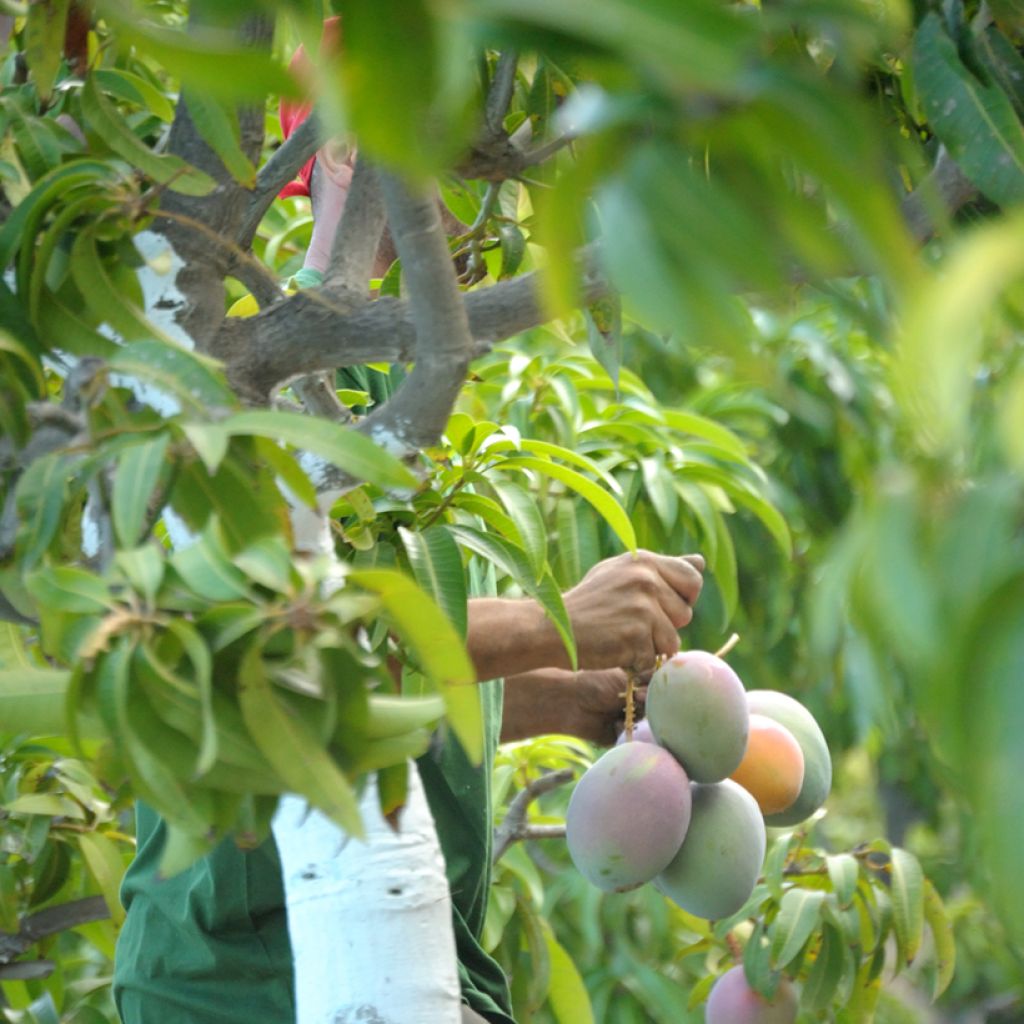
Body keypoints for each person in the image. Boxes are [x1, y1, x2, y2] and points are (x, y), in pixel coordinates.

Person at [112, 37, 707, 1023]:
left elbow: (382, 689)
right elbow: (277, 638)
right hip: (243, 983)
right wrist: (554, 618)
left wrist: (563, 698)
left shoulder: (391, 385)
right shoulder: (215, 362)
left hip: (406, 968)